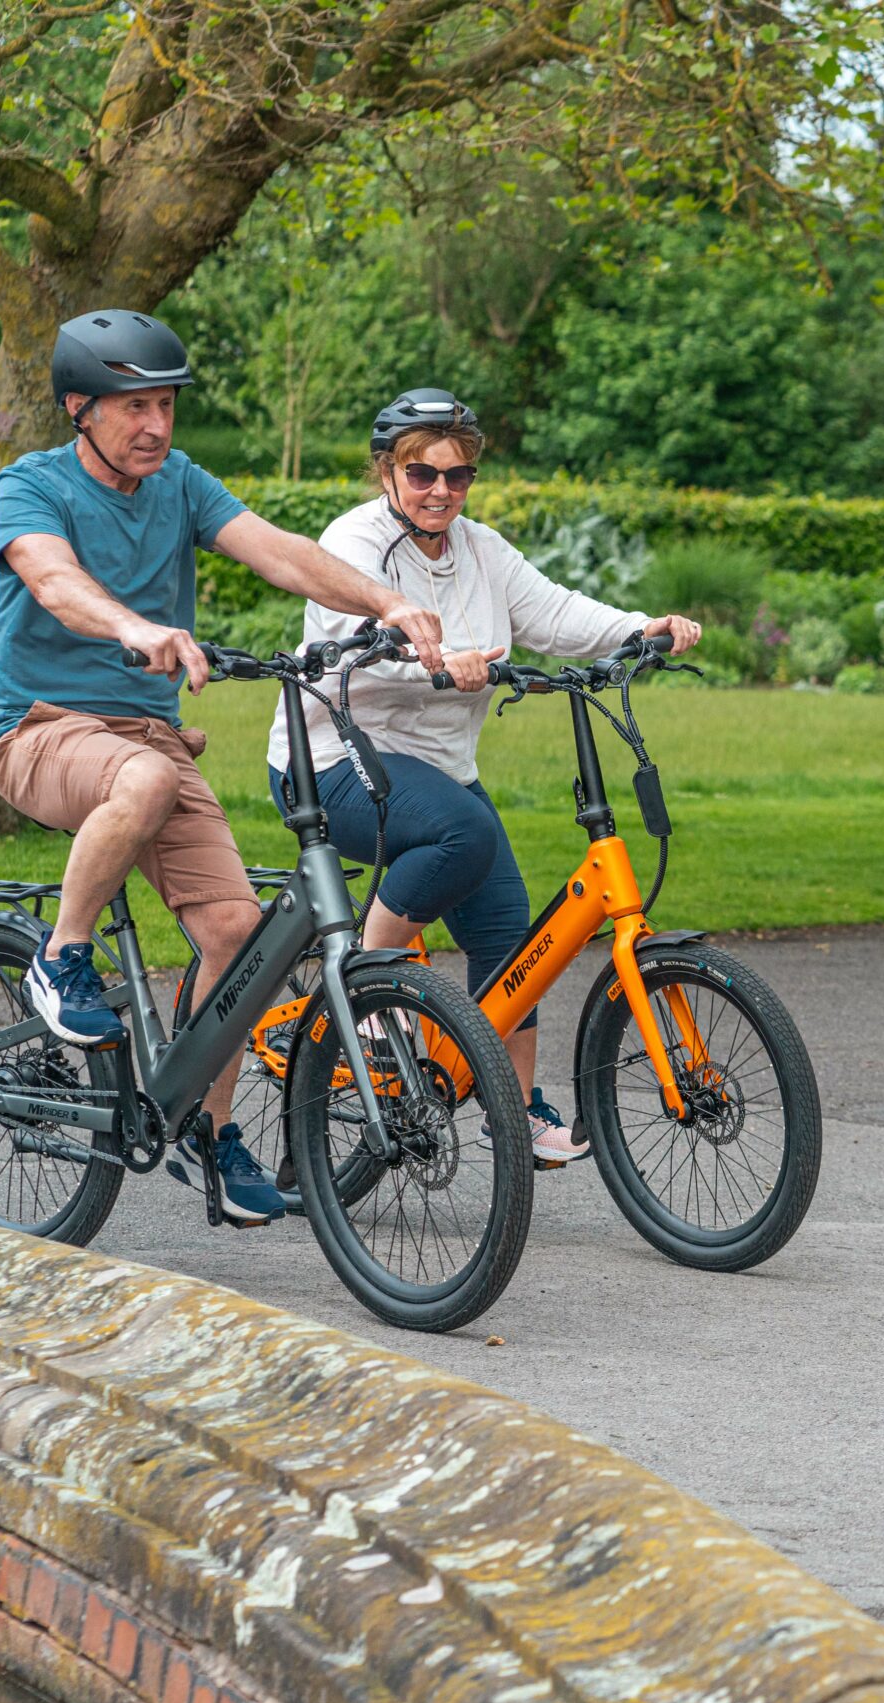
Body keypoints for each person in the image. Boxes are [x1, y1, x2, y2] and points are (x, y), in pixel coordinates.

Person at [0, 310, 447, 1226]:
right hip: (41, 729)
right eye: (134, 407)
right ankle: (61, 955)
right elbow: (53, 581)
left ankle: (209, 1126)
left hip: (148, 740)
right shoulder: (29, 484)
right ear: (79, 408)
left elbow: (280, 551)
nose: (156, 425)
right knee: (147, 781)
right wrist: (135, 627)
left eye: (165, 405)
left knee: (241, 934)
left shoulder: (181, 483)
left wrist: (386, 601)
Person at [267, 388, 699, 1165]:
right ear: (388, 472)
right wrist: (432, 661)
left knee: (506, 926)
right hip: (334, 759)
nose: (441, 490)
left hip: (436, 769)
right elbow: (353, 637)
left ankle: (516, 1111)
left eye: (457, 475)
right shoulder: (353, 542)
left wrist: (641, 628)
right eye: (422, 473)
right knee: (464, 832)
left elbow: (554, 613)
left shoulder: (481, 550)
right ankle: (364, 985)